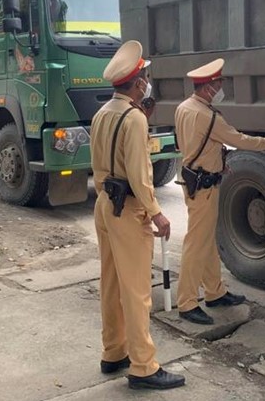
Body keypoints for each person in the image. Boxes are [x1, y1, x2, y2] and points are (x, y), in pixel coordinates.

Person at [90, 39, 185, 390]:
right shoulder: (133, 119)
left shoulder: (103, 113)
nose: (146, 80)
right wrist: (157, 213)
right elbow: (139, 175)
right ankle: (144, 367)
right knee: (137, 290)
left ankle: (113, 351)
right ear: (137, 82)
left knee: (111, 282)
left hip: (104, 205)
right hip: (128, 209)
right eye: (144, 75)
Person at [174, 58, 265, 325]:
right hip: (204, 187)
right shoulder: (207, 115)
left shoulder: (184, 108)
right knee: (195, 244)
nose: (221, 87)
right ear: (208, 87)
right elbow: (238, 140)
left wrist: (217, 163)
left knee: (205, 240)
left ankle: (214, 292)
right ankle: (187, 302)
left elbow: (192, 143)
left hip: (194, 179)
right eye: (218, 83)